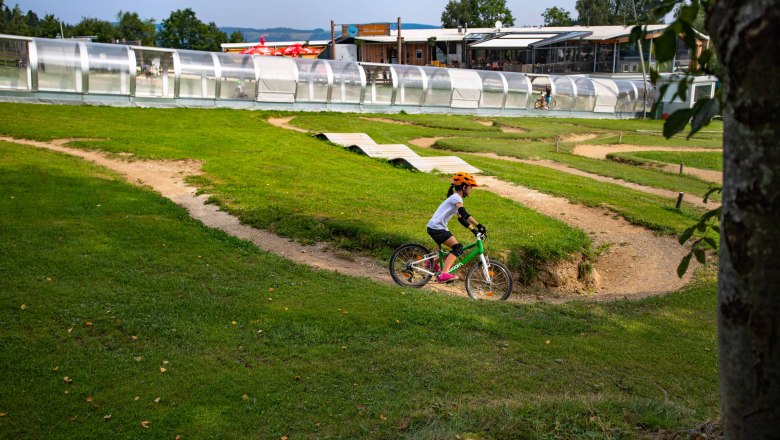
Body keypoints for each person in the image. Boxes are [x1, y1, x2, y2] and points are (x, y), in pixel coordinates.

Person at [426, 172, 486, 283]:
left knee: (457, 248)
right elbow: (464, 213)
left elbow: (461, 219)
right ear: (464, 187)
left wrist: (474, 231)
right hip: (437, 228)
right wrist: (479, 225)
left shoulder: (456, 198)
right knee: (458, 248)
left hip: (436, 227)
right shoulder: (456, 198)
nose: (471, 190)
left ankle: (433, 263)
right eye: (470, 187)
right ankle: (444, 274)